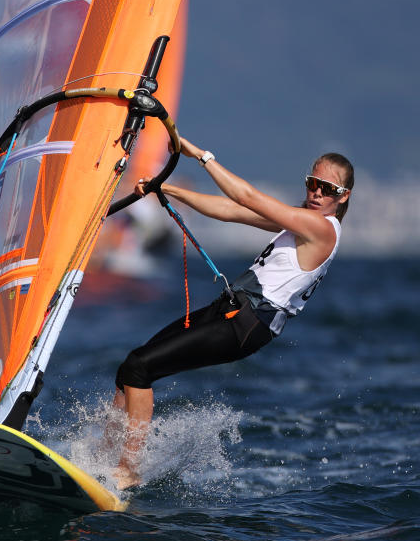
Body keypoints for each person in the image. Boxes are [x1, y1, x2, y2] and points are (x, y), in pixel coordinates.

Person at [109, 136, 354, 490]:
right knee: (127, 369)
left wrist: (201, 156)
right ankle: (104, 458)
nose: (316, 193)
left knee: (139, 367)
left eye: (327, 188)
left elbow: (247, 197)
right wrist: (169, 191)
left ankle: (127, 473)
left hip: (247, 323)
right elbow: (233, 210)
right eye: (312, 183)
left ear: (342, 196)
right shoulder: (303, 221)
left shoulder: (321, 229)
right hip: (230, 309)